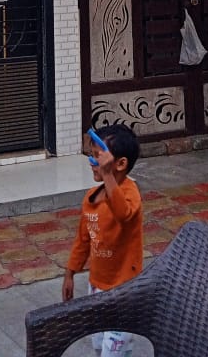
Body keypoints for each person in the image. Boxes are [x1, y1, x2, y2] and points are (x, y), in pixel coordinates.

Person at [62, 123, 143, 357]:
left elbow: (123, 214)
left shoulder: (130, 193)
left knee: (113, 352)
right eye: (91, 155)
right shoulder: (91, 198)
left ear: (120, 164)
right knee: (99, 347)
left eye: (98, 157)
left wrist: (107, 175)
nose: (91, 162)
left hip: (124, 290)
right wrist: (70, 273)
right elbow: (83, 239)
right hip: (97, 286)